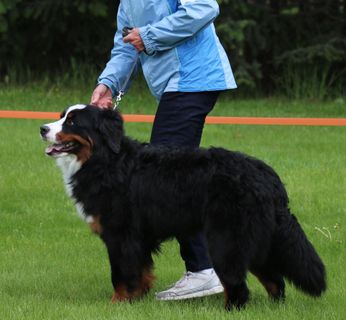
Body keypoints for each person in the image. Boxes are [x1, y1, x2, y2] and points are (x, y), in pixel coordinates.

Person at [90, 0, 237, 301]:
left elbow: (204, 8)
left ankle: (203, 270)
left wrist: (150, 36)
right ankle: (204, 268)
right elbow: (126, 45)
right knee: (168, 178)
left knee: (163, 178)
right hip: (176, 86)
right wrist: (108, 83)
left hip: (195, 78)